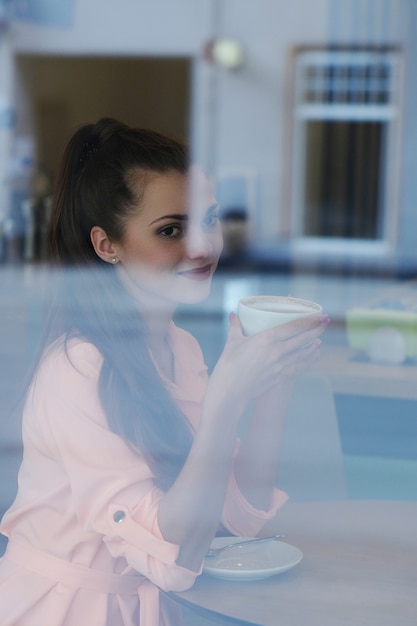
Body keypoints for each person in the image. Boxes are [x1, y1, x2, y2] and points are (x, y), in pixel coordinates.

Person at [0, 118, 328, 626]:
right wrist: (225, 399)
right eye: (171, 230)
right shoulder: (76, 369)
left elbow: (236, 514)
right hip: (62, 609)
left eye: (210, 219)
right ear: (107, 245)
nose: (202, 247)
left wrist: (273, 380)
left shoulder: (180, 345)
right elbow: (172, 552)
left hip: (147, 607)